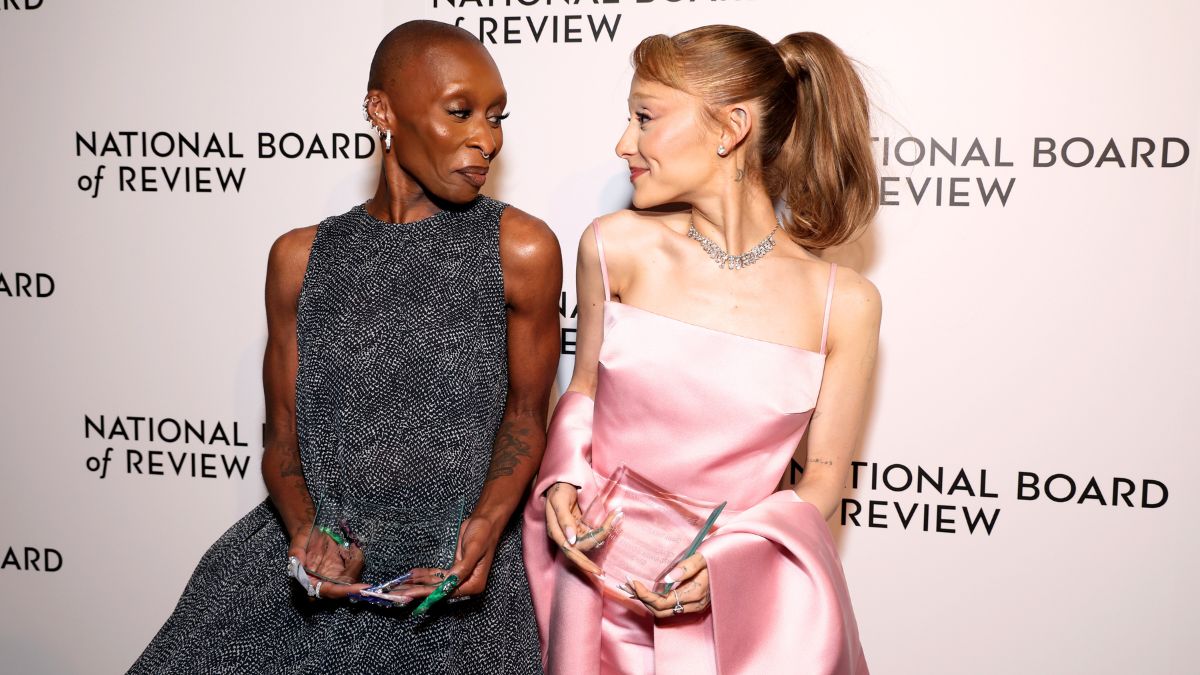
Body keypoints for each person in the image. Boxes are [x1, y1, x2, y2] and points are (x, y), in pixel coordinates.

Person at [131, 20, 560, 674]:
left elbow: (529, 415)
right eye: (460, 112)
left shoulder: (520, 250)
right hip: (308, 579)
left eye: (497, 116)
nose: (487, 138)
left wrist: (485, 526)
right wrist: (308, 531)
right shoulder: (299, 259)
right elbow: (282, 438)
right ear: (382, 110)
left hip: (450, 579)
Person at [523, 25, 880, 675]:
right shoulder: (614, 247)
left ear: (731, 127)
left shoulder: (845, 304)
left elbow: (824, 477)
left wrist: (730, 565)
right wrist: (561, 480)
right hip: (591, 598)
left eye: (645, 117)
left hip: (732, 622)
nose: (623, 143)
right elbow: (584, 392)